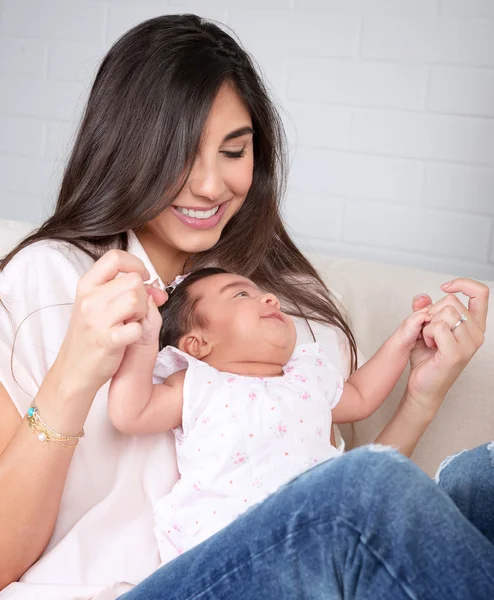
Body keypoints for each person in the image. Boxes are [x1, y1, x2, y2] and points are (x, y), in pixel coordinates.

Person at [0, 13, 491, 600]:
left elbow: (327, 497)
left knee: (482, 479)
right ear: (128, 150)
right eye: (181, 156)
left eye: (234, 152)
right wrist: (74, 373)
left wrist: (422, 395)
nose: (210, 186)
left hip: (266, 575)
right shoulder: (48, 281)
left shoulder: (285, 308)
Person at [108, 267, 432, 559]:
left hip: (319, 534)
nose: (270, 300)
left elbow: (360, 397)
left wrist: (403, 339)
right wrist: (143, 341)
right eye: (241, 294)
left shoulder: (307, 377)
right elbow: (131, 414)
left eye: (264, 293)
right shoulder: (199, 384)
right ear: (198, 343)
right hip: (230, 545)